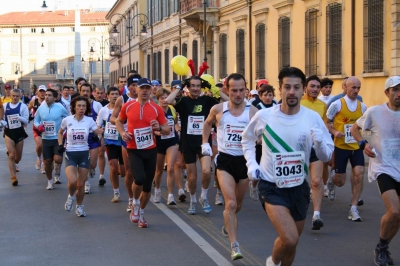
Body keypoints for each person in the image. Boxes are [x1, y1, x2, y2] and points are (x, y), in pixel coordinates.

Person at [242, 67, 333, 266]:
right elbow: (247, 139)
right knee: (290, 237)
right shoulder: (265, 116)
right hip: (271, 186)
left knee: (292, 244)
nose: (292, 92)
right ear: (280, 90)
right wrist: (251, 164)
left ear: (303, 91)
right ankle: (273, 262)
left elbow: (326, 155)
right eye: (287, 87)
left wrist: (319, 144)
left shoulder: (312, 118)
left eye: (296, 87)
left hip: (298, 188)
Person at [202, 73, 258, 261]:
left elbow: (263, 134)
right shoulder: (219, 109)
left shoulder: (253, 111)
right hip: (225, 160)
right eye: (234, 90)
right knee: (231, 203)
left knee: (238, 205)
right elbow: (207, 124)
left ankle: (228, 223)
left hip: (244, 161)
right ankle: (234, 246)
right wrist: (205, 144)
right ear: (227, 90)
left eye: (242, 90)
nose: (238, 94)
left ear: (246, 90)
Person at [351, 76, 400, 266]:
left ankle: (384, 245)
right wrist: (365, 143)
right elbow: (357, 129)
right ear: (387, 93)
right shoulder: (375, 112)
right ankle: (382, 247)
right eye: (395, 90)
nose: (398, 94)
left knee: (398, 216)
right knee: (394, 212)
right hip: (383, 167)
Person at [165, 76, 226, 215]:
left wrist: (212, 87)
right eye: (192, 85)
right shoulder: (184, 101)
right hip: (188, 143)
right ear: (188, 87)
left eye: (198, 86)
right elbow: (168, 100)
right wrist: (180, 87)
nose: (195, 89)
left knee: (206, 171)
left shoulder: (207, 100)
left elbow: (228, 101)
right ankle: (193, 199)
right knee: (192, 177)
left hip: (204, 142)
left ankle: (203, 197)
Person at [115, 78, 169, 228]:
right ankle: (135, 203)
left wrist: (158, 127)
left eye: (147, 88)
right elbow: (119, 121)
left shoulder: (156, 108)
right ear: (136, 90)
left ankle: (142, 214)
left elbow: (167, 130)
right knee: (138, 178)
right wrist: (122, 132)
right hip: (133, 148)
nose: (144, 91)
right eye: (142, 88)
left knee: (147, 187)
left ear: (152, 90)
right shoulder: (128, 105)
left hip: (151, 149)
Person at [326, 76, 367, 221]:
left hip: (356, 146)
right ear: (345, 87)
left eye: (358, 88)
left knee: (359, 174)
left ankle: (353, 208)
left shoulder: (363, 107)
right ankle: (332, 180)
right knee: (340, 182)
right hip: (341, 146)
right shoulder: (336, 104)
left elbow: (365, 126)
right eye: (353, 87)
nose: (356, 91)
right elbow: (326, 122)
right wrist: (334, 132)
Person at [58, 96, 104, 217]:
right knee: (72, 181)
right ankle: (71, 196)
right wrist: (60, 144)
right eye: (79, 106)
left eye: (84, 106)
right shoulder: (67, 120)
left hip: (84, 153)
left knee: (81, 184)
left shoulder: (89, 121)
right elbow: (60, 132)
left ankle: (79, 206)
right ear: (74, 107)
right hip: (70, 153)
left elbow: (96, 133)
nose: (81, 108)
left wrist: (99, 134)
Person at [300, 75, 329, 230]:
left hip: (315, 148)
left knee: (316, 181)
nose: (315, 90)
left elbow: (324, 127)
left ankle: (316, 215)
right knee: (298, 181)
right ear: (305, 87)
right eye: (312, 86)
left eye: (318, 87)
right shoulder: (298, 102)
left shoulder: (322, 106)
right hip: (298, 148)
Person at [110, 74, 141, 212]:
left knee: (142, 173)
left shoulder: (146, 99)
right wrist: (124, 126)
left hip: (144, 139)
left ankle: (138, 197)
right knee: (129, 172)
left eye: (138, 85)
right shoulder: (123, 99)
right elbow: (113, 118)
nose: (136, 88)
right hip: (127, 139)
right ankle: (131, 200)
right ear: (128, 86)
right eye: (133, 85)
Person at [153, 88, 185, 205]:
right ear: (158, 100)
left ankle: (170, 195)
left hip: (172, 140)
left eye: (166, 98)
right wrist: (158, 132)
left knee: (171, 167)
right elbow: (151, 127)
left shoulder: (172, 109)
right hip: (159, 141)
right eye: (162, 98)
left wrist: (178, 130)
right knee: (159, 170)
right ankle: (157, 190)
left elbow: (175, 122)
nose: (165, 100)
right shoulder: (155, 111)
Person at [34, 88, 69, 189]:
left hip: (57, 138)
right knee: (47, 162)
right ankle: (49, 181)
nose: (47, 97)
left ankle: (57, 171)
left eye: (49, 95)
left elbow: (68, 119)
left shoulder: (60, 107)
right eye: (46, 95)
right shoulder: (41, 108)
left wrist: (65, 132)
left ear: (54, 98)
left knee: (57, 159)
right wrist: (38, 126)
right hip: (46, 138)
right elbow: (36, 120)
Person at [97, 87, 126, 202]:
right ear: (107, 96)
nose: (114, 96)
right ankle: (116, 192)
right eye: (112, 94)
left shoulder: (124, 108)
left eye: (116, 94)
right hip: (111, 142)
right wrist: (101, 135)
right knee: (113, 166)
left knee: (123, 171)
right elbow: (98, 125)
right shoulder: (103, 111)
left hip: (123, 141)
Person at [1, 89, 29, 186]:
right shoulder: (5, 106)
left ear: (20, 96)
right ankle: (13, 177)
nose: (15, 98)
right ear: (10, 96)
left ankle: (15, 163)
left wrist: (19, 118)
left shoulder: (23, 106)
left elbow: (26, 120)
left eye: (17, 96)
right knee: (11, 155)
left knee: (17, 158)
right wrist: (2, 123)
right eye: (13, 95)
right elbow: (1, 118)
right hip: (9, 132)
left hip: (19, 132)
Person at [79, 83, 103, 193]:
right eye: (83, 90)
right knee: (83, 162)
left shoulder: (97, 105)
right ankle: (86, 183)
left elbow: (102, 119)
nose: (85, 93)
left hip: (93, 137)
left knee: (92, 163)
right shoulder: (75, 105)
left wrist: (100, 134)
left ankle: (91, 168)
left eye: (87, 91)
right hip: (79, 137)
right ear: (80, 92)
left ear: (91, 92)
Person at [28, 85, 47, 173]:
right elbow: (26, 109)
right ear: (37, 92)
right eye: (41, 91)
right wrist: (27, 118)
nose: (42, 93)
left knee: (45, 146)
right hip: (36, 127)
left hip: (47, 127)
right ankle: (39, 158)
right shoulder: (34, 101)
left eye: (44, 91)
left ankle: (43, 163)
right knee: (39, 145)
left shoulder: (48, 101)